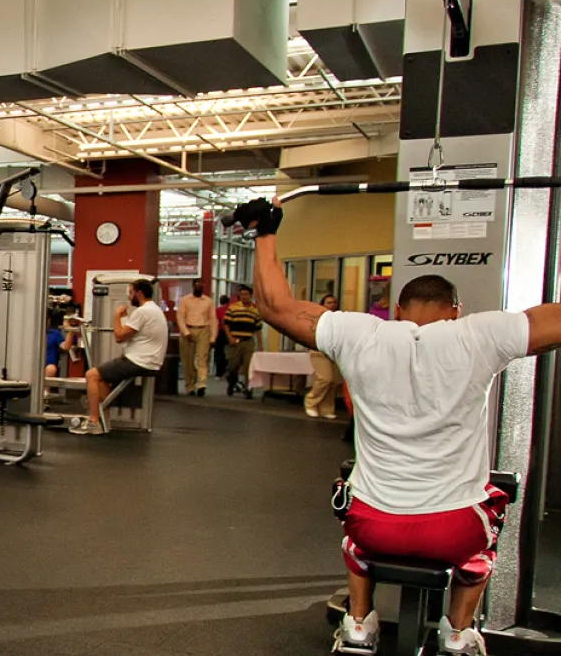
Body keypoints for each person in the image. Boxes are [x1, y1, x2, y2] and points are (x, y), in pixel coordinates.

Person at [234, 198, 561, 656]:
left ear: (399, 311)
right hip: (454, 528)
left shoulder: (361, 332)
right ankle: (459, 632)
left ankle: (360, 626)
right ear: (456, 309)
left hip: (375, 524)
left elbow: (274, 306)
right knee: (491, 520)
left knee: (353, 525)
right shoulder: (479, 333)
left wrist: (264, 232)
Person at [69, 279, 167, 435]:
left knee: (91, 375)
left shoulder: (142, 312)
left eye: (130, 293)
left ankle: (93, 421)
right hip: (149, 360)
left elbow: (119, 336)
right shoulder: (154, 310)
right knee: (102, 378)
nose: (129, 297)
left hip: (139, 361)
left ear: (139, 293)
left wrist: (116, 315)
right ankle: (103, 419)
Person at [306, 294, 343, 419]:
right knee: (325, 378)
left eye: (334, 302)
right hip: (319, 351)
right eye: (329, 302)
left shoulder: (339, 318)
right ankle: (311, 402)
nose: (332, 305)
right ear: (322, 305)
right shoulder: (317, 318)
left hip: (334, 351)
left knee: (334, 382)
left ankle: (326, 409)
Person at [177, 281, 215, 396]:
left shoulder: (208, 301)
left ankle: (201, 384)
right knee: (187, 360)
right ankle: (190, 385)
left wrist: (213, 337)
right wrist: (185, 331)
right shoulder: (185, 300)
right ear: (193, 287)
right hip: (188, 329)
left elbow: (213, 319)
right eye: (197, 285)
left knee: (202, 358)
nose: (199, 287)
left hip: (203, 330)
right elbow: (180, 317)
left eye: (201, 286)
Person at [224, 285, 263, 398]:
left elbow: (258, 329)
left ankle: (248, 388)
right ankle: (231, 383)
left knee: (248, 366)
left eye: (246, 294)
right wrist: (230, 338)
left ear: (250, 296)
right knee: (233, 365)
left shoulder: (255, 310)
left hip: (248, 341)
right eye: (242, 295)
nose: (244, 297)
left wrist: (260, 345)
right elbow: (226, 325)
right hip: (235, 340)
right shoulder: (233, 308)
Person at [213, 294, 233, 379]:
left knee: (218, 353)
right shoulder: (232, 309)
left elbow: (216, 321)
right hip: (232, 332)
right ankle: (228, 371)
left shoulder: (218, 310)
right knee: (231, 352)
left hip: (221, 332)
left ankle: (219, 373)